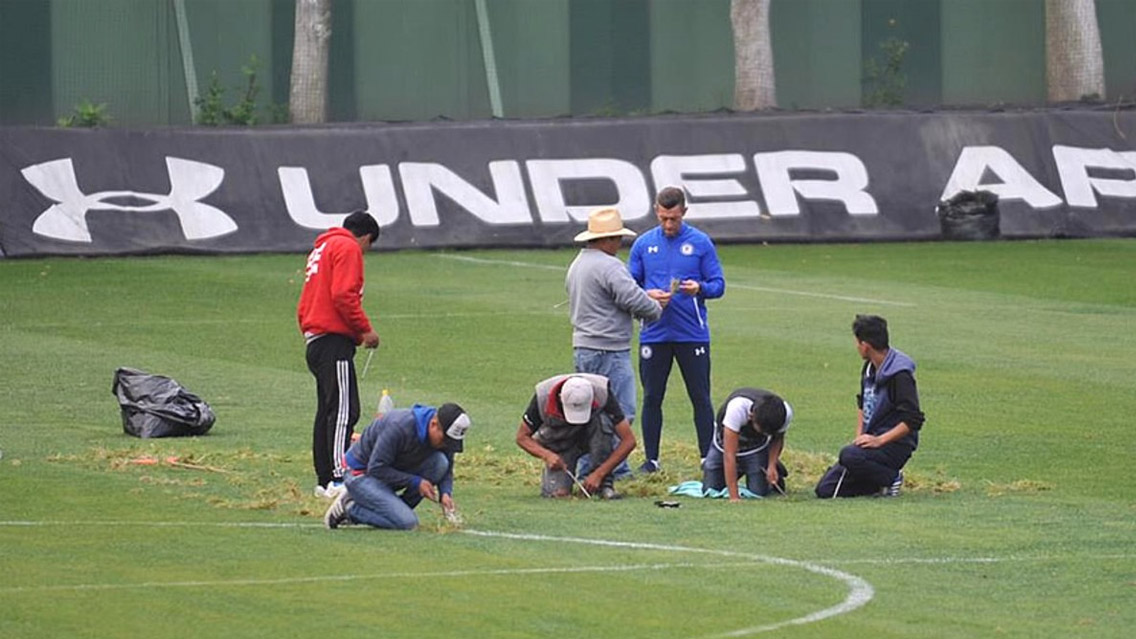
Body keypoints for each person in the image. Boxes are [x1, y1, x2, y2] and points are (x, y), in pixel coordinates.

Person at [628, 186, 725, 473]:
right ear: (656, 211)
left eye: (674, 219)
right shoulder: (644, 245)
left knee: (700, 396)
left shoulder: (700, 243)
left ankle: (708, 458)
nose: (669, 225)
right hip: (654, 333)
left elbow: (718, 284)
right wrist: (649, 294)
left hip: (692, 333)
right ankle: (651, 459)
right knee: (652, 396)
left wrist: (700, 288)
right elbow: (627, 285)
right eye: (664, 219)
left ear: (684, 212)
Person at [566, 207, 663, 478]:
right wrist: (655, 306)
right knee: (621, 412)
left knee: (588, 411)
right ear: (607, 239)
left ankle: (588, 466)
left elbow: (617, 296)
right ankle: (612, 468)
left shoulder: (578, 264)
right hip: (609, 348)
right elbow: (632, 299)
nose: (620, 243)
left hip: (584, 345)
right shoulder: (609, 265)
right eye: (617, 238)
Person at [297, 210, 381, 499]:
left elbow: (307, 300)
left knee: (327, 410)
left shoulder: (321, 248)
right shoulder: (347, 247)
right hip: (333, 340)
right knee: (345, 410)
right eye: (368, 248)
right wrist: (364, 331)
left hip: (315, 338)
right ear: (367, 238)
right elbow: (344, 295)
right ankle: (336, 477)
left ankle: (324, 479)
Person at [815, 315, 925, 498]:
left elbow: (913, 420)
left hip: (895, 445)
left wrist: (879, 440)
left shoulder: (900, 375)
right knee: (826, 490)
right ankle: (877, 484)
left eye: (857, 343)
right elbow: (862, 402)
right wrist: (859, 436)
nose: (857, 347)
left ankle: (892, 478)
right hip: (870, 444)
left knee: (849, 456)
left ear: (865, 345)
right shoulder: (869, 368)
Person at [324, 402, 471, 530]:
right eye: (445, 440)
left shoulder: (443, 436)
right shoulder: (399, 426)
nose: (445, 445)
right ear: (433, 424)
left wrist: (445, 493)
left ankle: (394, 511)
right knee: (408, 523)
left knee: (440, 463)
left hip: (392, 471)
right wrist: (416, 482)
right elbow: (377, 468)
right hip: (361, 474)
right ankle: (349, 508)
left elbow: (447, 467)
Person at [515, 374, 636, 500]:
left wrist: (599, 474)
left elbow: (629, 441)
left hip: (593, 434)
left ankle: (604, 485)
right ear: (560, 398)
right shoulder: (542, 396)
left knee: (602, 421)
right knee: (557, 493)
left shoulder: (602, 392)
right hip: (560, 440)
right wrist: (547, 456)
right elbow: (522, 437)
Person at [703, 388, 793, 501]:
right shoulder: (737, 409)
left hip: (756, 448)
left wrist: (772, 465)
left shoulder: (785, 413)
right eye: (763, 431)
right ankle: (743, 468)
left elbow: (777, 439)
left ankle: (770, 468)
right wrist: (734, 496)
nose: (766, 433)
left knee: (759, 492)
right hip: (723, 446)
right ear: (751, 416)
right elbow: (729, 455)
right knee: (711, 489)